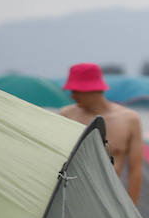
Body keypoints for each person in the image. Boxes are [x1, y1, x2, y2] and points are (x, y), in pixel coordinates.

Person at [58, 63, 144, 204]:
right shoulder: (66, 115)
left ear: (93, 90)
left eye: (76, 90)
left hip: (110, 199)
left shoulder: (129, 120)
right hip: (74, 198)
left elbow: (135, 171)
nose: (72, 96)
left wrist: (131, 208)